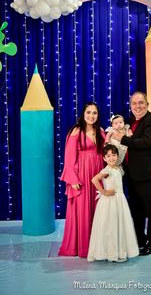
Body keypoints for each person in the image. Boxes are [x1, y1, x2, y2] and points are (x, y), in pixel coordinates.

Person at [112, 92, 151, 256]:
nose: (137, 106)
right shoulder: (130, 121)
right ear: (130, 105)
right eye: (134, 103)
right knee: (137, 211)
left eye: (141, 103)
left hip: (147, 175)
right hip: (132, 175)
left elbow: (147, 143)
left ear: (147, 104)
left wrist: (122, 139)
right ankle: (140, 240)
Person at [58, 102, 105, 258]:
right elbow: (69, 157)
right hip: (82, 176)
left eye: (94, 113)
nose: (91, 116)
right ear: (83, 114)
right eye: (88, 113)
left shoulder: (101, 131)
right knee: (83, 209)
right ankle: (83, 247)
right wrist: (72, 179)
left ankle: (98, 245)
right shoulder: (76, 131)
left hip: (97, 175)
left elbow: (106, 154)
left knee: (98, 209)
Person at [87, 144, 139, 262]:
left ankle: (120, 251)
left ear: (117, 156)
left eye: (114, 155)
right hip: (110, 201)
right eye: (108, 156)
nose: (111, 158)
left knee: (120, 224)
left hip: (120, 200)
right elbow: (94, 179)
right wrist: (104, 192)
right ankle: (110, 253)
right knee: (110, 225)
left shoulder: (118, 168)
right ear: (104, 158)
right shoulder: (107, 170)